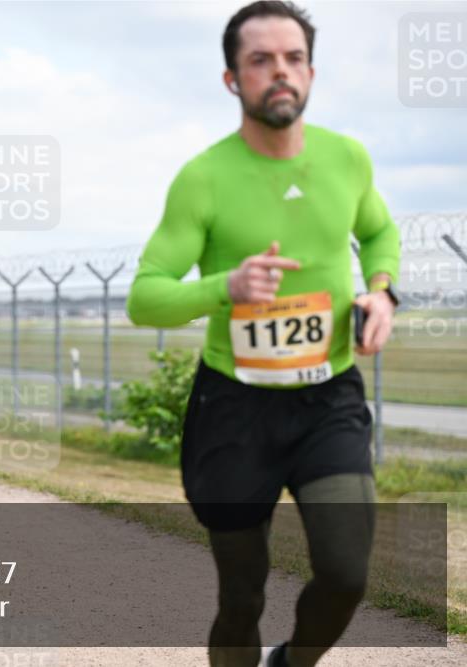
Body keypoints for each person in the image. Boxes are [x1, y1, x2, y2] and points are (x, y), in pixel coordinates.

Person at [126, 3, 400, 666]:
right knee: (241, 596)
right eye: (261, 60)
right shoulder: (205, 177)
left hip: (328, 395)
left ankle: (292, 661)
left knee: (345, 572)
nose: (280, 72)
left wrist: (383, 289)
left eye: (293, 58)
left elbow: (379, 232)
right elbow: (146, 295)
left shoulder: (347, 158)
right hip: (236, 407)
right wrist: (226, 286)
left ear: (310, 70)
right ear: (232, 79)